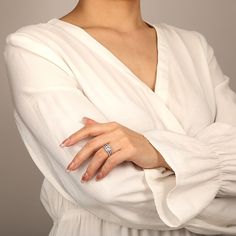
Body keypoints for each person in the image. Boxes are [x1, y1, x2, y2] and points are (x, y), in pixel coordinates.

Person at [3, 0, 236, 235]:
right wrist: (222, 196)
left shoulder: (193, 47)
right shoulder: (35, 47)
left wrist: (156, 151)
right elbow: (109, 191)